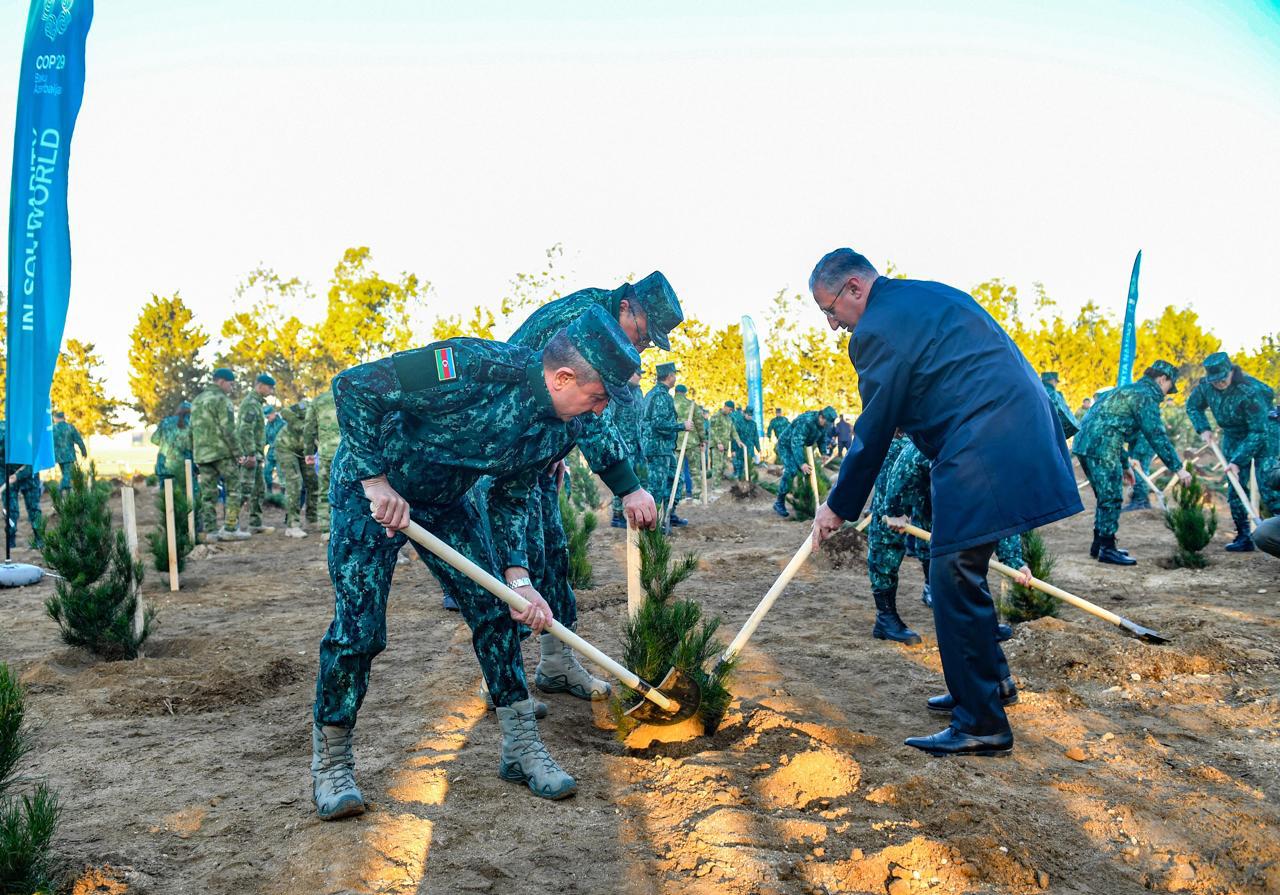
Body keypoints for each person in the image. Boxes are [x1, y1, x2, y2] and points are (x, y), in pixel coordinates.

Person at [311, 306, 641, 818]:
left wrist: (519, 579)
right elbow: (354, 387)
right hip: (371, 494)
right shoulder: (467, 365)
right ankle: (332, 763)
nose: (599, 411)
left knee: (496, 610)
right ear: (563, 377)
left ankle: (521, 748)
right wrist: (375, 480)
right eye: (598, 398)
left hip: (446, 502)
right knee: (359, 630)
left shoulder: (558, 427)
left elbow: (511, 498)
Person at [808, 247, 1082, 758]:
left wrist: (837, 506)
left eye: (830, 310)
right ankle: (988, 686)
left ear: (854, 289)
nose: (832, 325)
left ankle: (981, 722)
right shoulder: (921, 296)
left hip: (985, 441)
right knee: (964, 569)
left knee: (951, 574)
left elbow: (873, 430)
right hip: (1009, 428)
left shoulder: (877, 331)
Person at [497, 273, 676, 700]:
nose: (644, 345)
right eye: (645, 333)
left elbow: (576, 412)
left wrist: (555, 451)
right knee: (515, 565)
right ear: (627, 306)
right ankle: (500, 675)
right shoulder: (585, 322)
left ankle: (556, 663)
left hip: (536, 450)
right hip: (502, 455)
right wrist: (628, 487)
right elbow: (586, 412)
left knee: (554, 552)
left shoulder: (601, 316)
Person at [1073, 361, 1191, 564]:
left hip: (1084, 444)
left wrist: (1126, 465)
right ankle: (1108, 549)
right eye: (1168, 387)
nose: (1166, 394)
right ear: (1162, 379)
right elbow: (1156, 436)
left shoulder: (1127, 390)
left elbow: (1109, 425)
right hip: (1103, 446)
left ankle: (1099, 544)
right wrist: (1179, 469)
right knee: (1111, 497)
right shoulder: (1145, 396)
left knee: (1104, 496)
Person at [1185, 352, 1280, 552]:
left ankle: (1275, 532)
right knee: (1235, 485)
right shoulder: (1205, 387)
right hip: (1233, 434)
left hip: (1264, 433)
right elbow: (1193, 406)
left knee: (1269, 483)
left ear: (1231, 372)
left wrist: (1237, 460)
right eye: (1215, 380)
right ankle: (1243, 536)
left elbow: (1258, 432)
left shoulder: (1249, 391)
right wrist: (1203, 428)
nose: (1219, 383)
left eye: (1222, 379)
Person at [192, 369, 251, 542]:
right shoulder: (222, 400)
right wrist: (239, 453)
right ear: (222, 382)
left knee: (208, 494)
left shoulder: (197, 400)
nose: (232, 388)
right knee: (234, 490)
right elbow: (228, 429)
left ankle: (211, 532)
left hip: (202, 454)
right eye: (231, 384)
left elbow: (191, 429)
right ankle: (231, 528)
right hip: (222, 453)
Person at [642, 362, 693, 531]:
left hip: (664, 448)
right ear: (670, 376)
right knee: (657, 487)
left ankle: (669, 515)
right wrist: (681, 426)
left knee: (675, 481)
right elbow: (659, 424)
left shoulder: (656, 394)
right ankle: (654, 525)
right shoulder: (660, 396)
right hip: (658, 449)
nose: (675, 378)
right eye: (674, 375)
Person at [773, 406, 836, 518]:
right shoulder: (806, 422)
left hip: (801, 446)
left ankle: (805, 500)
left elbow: (822, 438)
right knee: (792, 469)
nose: (826, 426)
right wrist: (802, 463)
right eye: (826, 423)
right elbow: (795, 443)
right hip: (786, 445)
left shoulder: (823, 424)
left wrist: (823, 453)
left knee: (808, 472)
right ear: (821, 417)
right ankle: (779, 502)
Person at [233, 374, 276, 535]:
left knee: (259, 489)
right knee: (244, 489)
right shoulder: (250, 403)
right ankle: (231, 525)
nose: (271, 391)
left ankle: (255, 523)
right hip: (249, 455)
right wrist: (250, 454)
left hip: (256, 454)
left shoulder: (257, 404)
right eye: (269, 387)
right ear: (260, 386)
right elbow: (245, 430)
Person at [603, 373, 645, 528]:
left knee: (637, 479)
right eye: (637, 374)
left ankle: (633, 514)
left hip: (637, 444)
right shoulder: (618, 391)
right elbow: (610, 418)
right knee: (623, 479)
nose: (639, 377)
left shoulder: (639, 393)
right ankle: (617, 514)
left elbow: (641, 418)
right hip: (622, 444)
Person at [305, 387, 341, 533]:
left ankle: (326, 528)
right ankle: (344, 527)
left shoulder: (318, 401)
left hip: (326, 452)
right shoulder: (349, 395)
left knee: (325, 490)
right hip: (348, 453)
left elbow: (309, 428)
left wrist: (308, 452)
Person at [276, 400, 312, 538]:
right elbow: (284, 412)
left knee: (312, 482)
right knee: (295, 483)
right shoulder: (308, 406)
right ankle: (292, 525)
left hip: (304, 451)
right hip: (286, 447)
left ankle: (312, 519)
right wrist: (301, 426)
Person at [672, 383, 705, 504]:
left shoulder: (670, 403)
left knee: (677, 471)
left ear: (675, 392)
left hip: (675, 443)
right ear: (685, 393)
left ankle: (679, 497)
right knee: (695, 470)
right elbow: (699, 423)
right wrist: (703, 439)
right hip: (692, 442)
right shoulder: (692, 405)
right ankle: (696, 497)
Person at [151, 402, 193, 484]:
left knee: (166, 494)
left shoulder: (165, 421)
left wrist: (166, 443)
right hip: (184, 467)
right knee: (187, 495)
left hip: (164, 465)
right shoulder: (190, 423)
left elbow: (154, 439)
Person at [51, 410, 88, 491]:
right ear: (63, 418)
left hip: (58, 457)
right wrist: (84, 451)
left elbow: (48, 443)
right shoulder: (70, 427)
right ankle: (59, 490)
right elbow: (79, 440)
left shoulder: (53, 429)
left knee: (66, 475)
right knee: (67, 476)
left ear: (56, 418)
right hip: (69, 456)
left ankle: (67, 496)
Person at [1121, 433, 1156, 512]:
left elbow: (1146, 433)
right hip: (1135, 442)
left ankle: (1140, 501)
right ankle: (1143, 501)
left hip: (1144, 441)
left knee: (1139, 470)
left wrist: (1137, 456)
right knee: (1135, 469)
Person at [1040, 372, 1079, 440]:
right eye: (1056, 381)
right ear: (1052, 380)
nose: (1056, 384)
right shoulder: (1054, 394)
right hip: (1052, 434)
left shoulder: (1037, 391)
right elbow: (1067, 420)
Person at [709, 402, 736, 481]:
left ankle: (718, 483)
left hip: (725, 445)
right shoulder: (716, 416)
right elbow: (713, 430)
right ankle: (715, 486)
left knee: (723, 465)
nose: (730, 411)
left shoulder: (728, 418)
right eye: (730, 409)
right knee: (717, 466)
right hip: (717, 445)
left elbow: (732, 430)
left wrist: (738, 441)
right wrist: (718, 443)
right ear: (725, 407)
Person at [263, 406, 285, 492]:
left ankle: (282, 495)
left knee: (281, 475)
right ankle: (269, 491)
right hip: (271, 452)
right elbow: (265, 439)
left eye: (268, 416)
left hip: (281, 452)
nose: (267, 419)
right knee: (266, 472)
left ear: (273, 413)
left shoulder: (282, 424)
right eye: (266, 417)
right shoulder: (268, 425)